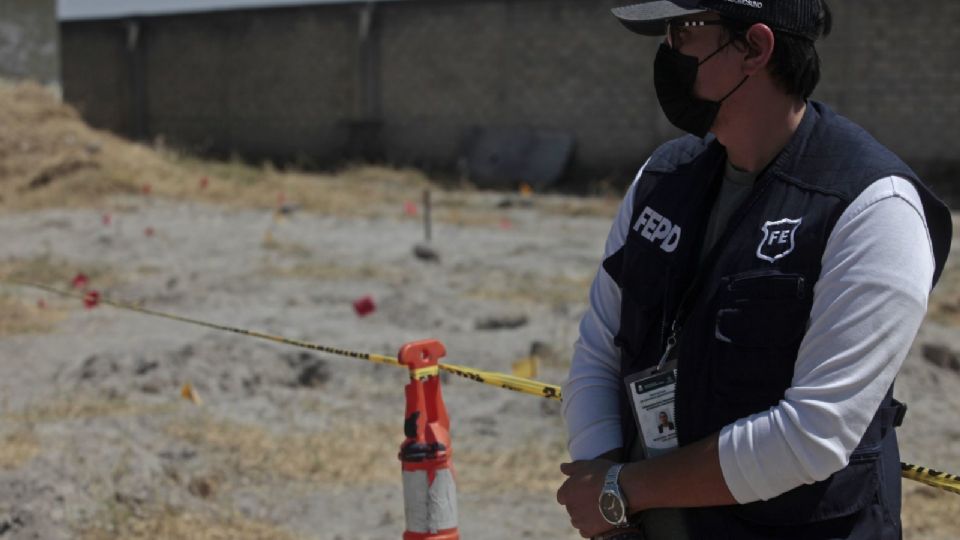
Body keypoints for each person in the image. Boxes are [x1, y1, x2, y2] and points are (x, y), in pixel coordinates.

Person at [555, 1, 954, 539]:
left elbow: (815, 433)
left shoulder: (873, 206)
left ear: (756, 48)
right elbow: (600, 348)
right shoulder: (663, 178)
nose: (666, 51)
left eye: (684, 31)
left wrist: (626, 490)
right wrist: (605, 495)